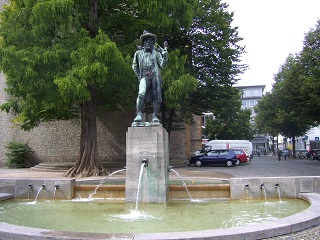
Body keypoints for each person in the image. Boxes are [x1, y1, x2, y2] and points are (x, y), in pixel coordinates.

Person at [132, 30, 168, 124]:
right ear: (144, 43)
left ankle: (155, 116)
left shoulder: (157, 54)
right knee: (141, 93)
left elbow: (162, 66)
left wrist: (165, 57)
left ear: (153, 43)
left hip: (155, 76)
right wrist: (139, 76)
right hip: (144, 76)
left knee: (156, 96)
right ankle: (139, 114)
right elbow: (135, 66)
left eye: (151, 41)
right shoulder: (138, 53)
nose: (149, 42)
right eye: (147, 41)